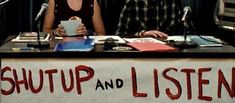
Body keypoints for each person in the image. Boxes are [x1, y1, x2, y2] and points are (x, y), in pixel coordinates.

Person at [115, 0, 184, 38]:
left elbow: (189, 33)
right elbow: (120, 35)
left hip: (171, 53)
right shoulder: (131, 3)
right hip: (141, 54)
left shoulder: (174, 2)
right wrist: (142, 34)